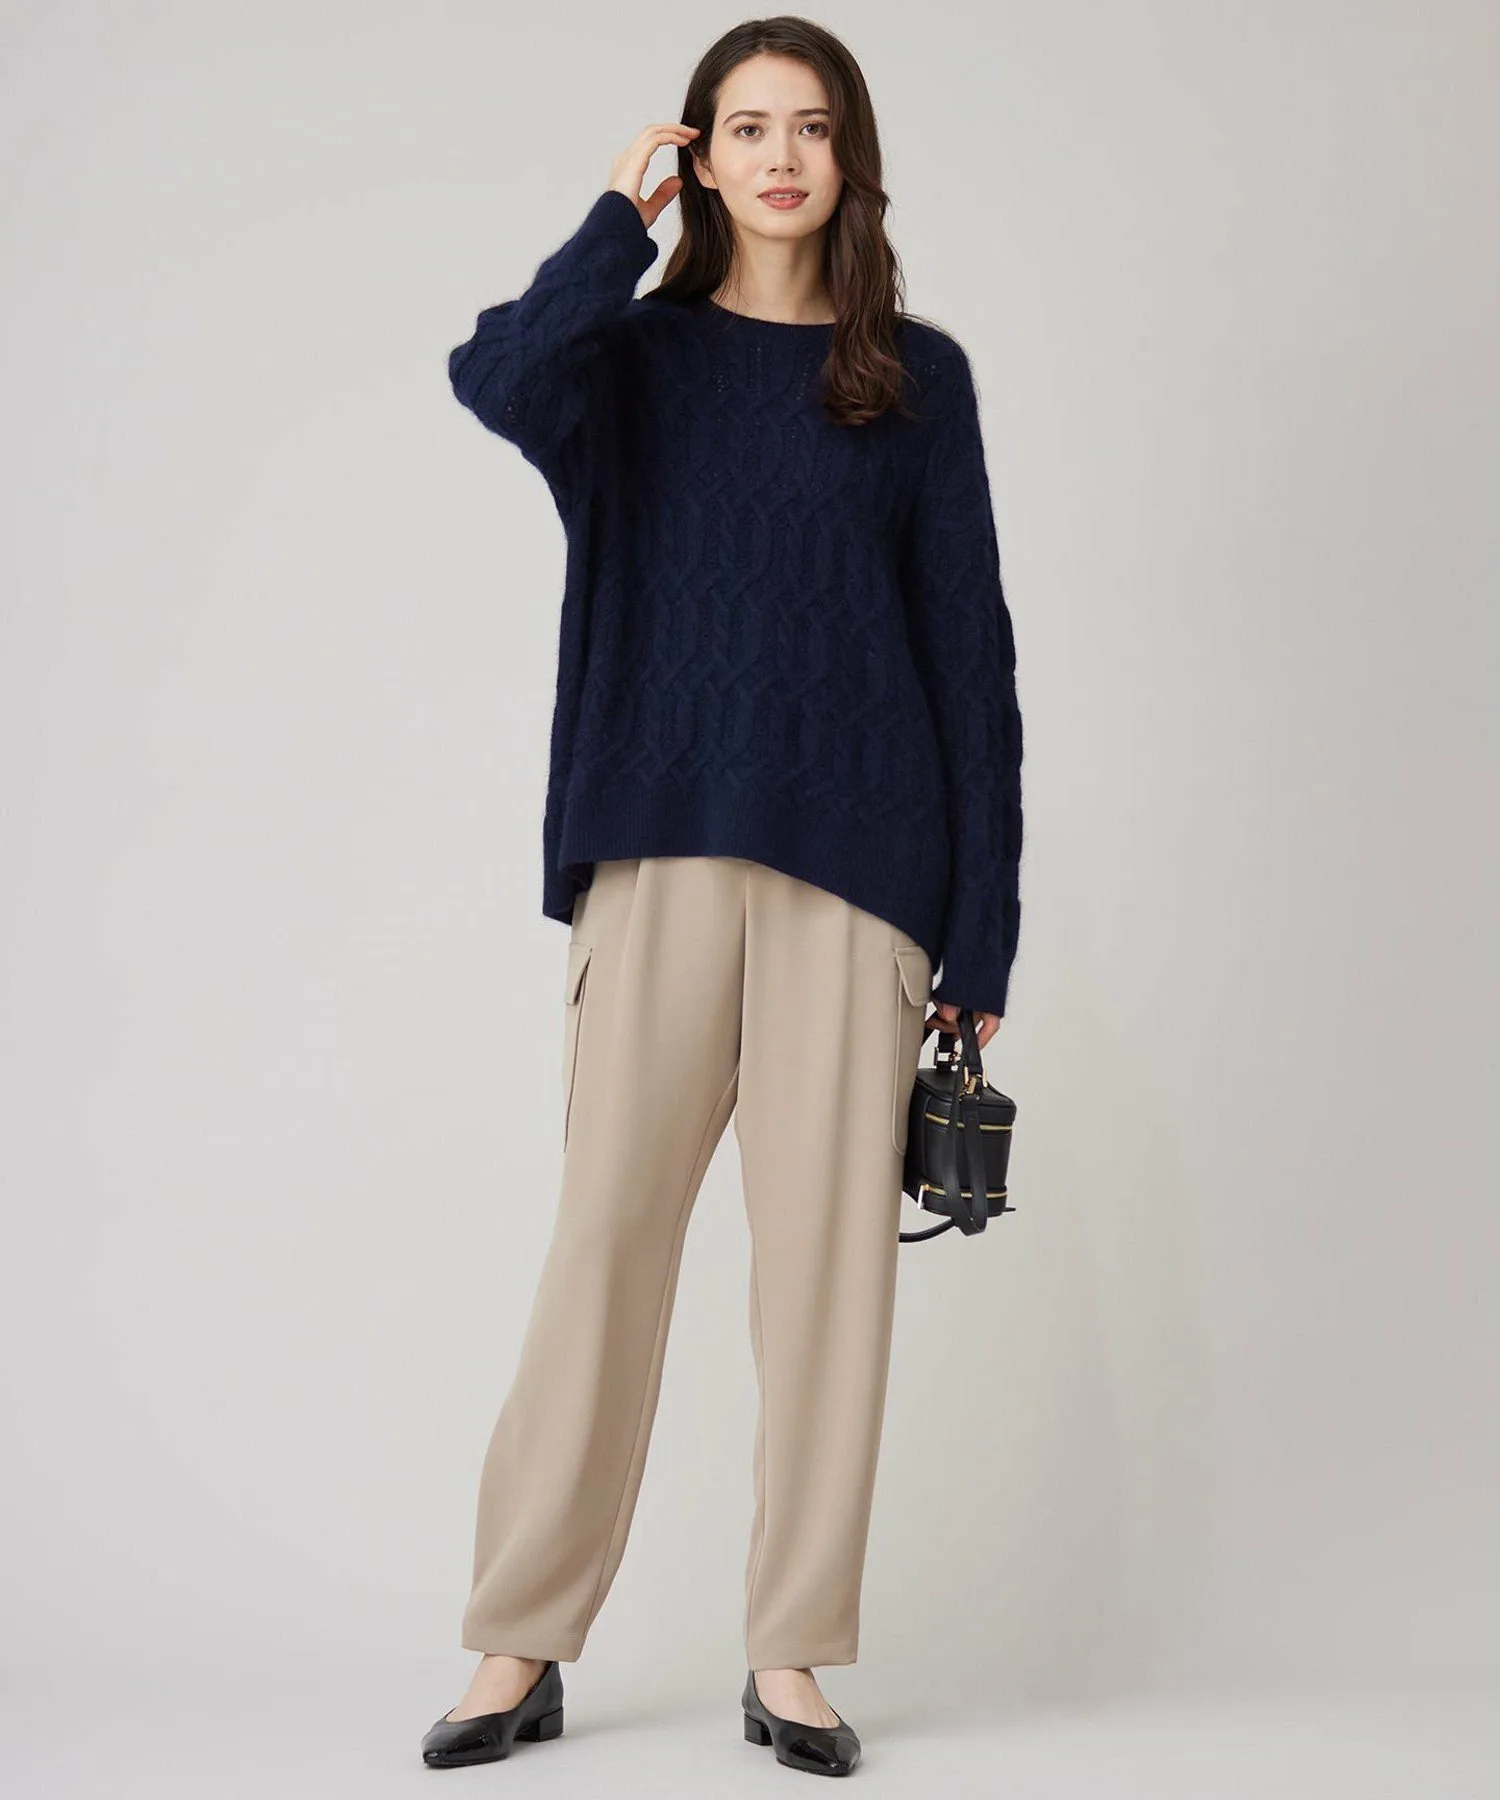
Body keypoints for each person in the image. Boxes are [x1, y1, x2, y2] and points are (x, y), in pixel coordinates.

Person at [421, 16, 1023, 1780]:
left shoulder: (916, 381)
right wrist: (613, 226)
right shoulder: (627, 360)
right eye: (744, 127)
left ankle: (794, 1658)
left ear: (851, 160)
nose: (780, 157)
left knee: (829, 1288)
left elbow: (971, 665)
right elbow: (495, 379)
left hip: (864, 884)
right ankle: (518, 1640)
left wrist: (981, 928)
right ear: (698, 154)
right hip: (659, 850)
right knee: (604, 1247)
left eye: (810, 128)